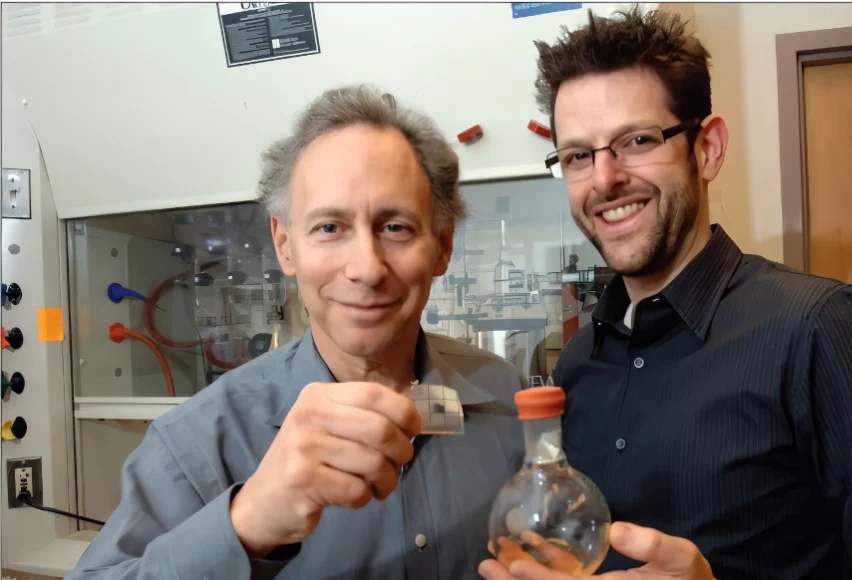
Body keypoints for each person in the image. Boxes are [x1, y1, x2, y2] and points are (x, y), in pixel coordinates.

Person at [480, 7, 852, 580]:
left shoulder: (822, 331)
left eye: (637, 140)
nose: (604, 180)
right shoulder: (579, 362)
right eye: (578, 156)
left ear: (707, 149)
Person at [68, 85, 525, 580]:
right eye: (330, 227)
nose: (366, 269)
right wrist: (245, 524)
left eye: (395, 227)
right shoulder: (199, 443)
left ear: (441, 246)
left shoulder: (506, 400)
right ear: (285, 246)